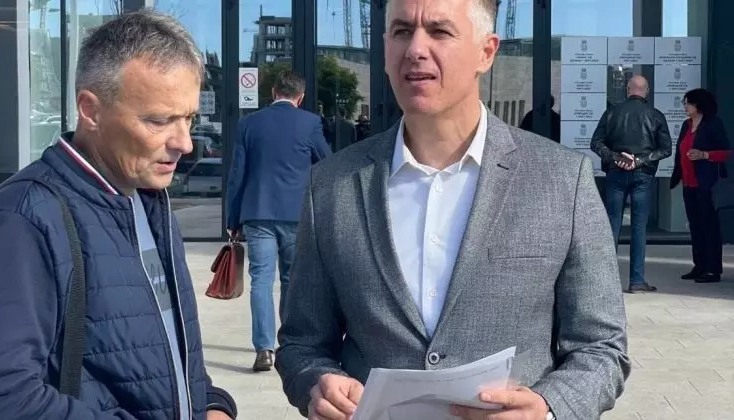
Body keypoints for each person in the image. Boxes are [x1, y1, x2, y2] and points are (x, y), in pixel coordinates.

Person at [275, 0, 629, 419]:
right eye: (402, 31)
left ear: (486, 51)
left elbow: (602, 347)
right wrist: (316, 382)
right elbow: (301, 343)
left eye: (439, 31)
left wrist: (547, 408)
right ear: (385, 47)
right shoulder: (332, 185)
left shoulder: (561, 180)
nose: (415, 49)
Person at [0, 11, 237, 420]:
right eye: (159, 121)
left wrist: (210, 403)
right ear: (90, 110)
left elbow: (163, 358)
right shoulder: (20, 224)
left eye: (188, 117)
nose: (185, 143)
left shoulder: (147, 202)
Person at [226, 71, 331, 372]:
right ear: (301, 97)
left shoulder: (249, 124)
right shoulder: (310, 123)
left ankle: (264, 349)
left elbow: (237, 174)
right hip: (297, 213)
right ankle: (290, 344)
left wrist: (233, 218)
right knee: (291, 280)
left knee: (261, 279)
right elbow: (328, 162)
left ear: (273, 92)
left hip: (257, 212)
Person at [590, 75, 672, 293]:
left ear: (628, 90)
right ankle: (636, 280)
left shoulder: (612, 113)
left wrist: (616, 158)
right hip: (643, 175)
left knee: (612, 224)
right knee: (639, 227)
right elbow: (666, 149)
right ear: (647, 91)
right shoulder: (655, 115)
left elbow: (596, 143)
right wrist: (639, 161)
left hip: (616, 173)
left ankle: (604, 281)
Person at [670, 88, 731, 283]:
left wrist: (705, 155)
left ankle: (712, 269)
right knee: (695, 226)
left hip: (707, 183)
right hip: (688, 184)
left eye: (689, 103)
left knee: (709, 227)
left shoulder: (713, 124)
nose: (685, 106)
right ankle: (699, 265)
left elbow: (726, 153)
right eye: (685, 103)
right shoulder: (686, 125)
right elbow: (680, 152)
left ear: (700, 105)